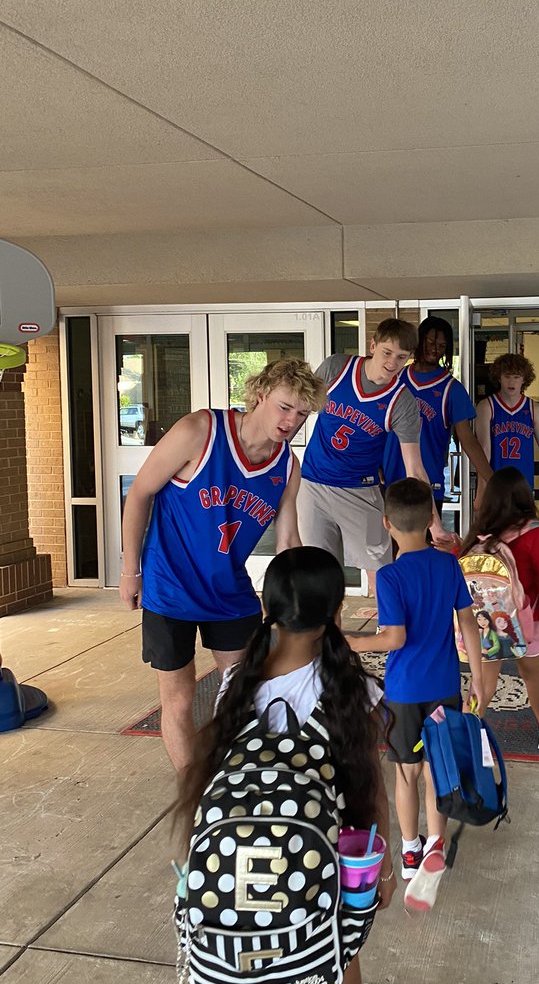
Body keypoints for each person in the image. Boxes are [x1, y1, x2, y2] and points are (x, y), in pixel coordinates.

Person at [175, 546, 396, 984]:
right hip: (322, 859)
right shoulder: (348, 687)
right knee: (339, 954)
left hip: (244, 872)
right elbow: (369, 789)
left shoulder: (236, 682)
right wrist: (382, 869)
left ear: (266, 608)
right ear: (335, 613)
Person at [119, 358, 325, 773]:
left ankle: (233, 780)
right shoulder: (200, 431)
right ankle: (195, 792)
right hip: (170, 587)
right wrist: (130, 571)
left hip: (229, 591)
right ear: (260, 395)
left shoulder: (287, 466)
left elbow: (288, 541)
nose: (292, 421)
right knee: (179, 698)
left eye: (303, 414)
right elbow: (139, 492)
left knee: (245, 692)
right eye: (285, 407)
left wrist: (302, 605)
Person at [346, 478, 483, 913]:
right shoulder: (448, 566)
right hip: (444, 687)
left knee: (406, 773)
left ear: (387, 523)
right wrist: (478, 679)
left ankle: (409, 851)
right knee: (437, 769)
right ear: (429, 521)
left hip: (405, 692)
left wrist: (350, 642)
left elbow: (394, 638)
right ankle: (435, 842)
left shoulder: (389, 576)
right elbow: (469, 624)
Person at [300, 318, 453, 582]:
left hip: (360, 490)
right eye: (387, 352)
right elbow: (299, 411)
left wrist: (435, 526)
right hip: (313, 483)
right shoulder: (336, 368)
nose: (392, 363)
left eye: (401, 357)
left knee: (381, 575)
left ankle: (387, 613)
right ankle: (329, 612)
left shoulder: (403, 402)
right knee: (317, 573)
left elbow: (415, 469)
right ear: (373, 346)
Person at [459, 467, 539, 752]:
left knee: (483, 683)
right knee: (532, 675)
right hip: (526, 622)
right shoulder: (536, 534)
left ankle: (464, 736)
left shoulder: (479, 535)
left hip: (485, 622)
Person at [381, 315, 494, 514]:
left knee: (427, 535)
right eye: (431, 342)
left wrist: (492, 481)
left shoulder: (452, 389)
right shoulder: (395, 379)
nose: (435, 349)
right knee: (386, 535)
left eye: (442, 346)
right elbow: (376, 427)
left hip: (428, 483)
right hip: (391, 478)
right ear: (419, 341)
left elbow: (467, 439)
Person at [475, 353, 539, 517]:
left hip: (524, 487)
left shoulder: (534, 409)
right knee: (497, 533)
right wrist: (481, 493)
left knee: (523, 532)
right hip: (496, 487)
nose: (511, 382)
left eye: (516, 377)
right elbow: (484, 451)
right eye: (507, 376)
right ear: (499, 377)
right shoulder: (486, 406)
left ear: (524, 379)